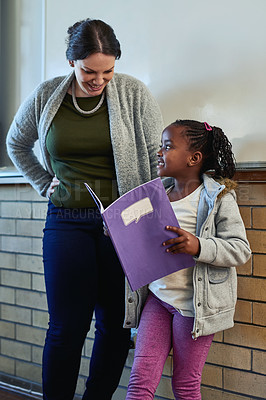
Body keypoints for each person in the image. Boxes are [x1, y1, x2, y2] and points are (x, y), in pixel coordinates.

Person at [6, 18, 163, 400]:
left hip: (125, 223)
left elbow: (156, 155)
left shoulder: (133, 93)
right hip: (66, 221)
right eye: (90, 71)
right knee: (66, 327)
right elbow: (16, 143)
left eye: (108, 71)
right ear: (72, 61)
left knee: (114, 325)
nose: (99, 80)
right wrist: (44, 182)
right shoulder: (47, 96)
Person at [125, 120, 251, 400]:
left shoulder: (217, 197)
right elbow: (144, 247)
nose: (159, 152)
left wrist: (198, 246)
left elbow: (240, 250)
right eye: (161, 145)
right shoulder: (156, 196)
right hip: (157, 300)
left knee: (185, 385)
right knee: (139, 382)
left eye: (167, 146)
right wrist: (122, 235)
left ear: (193, 158)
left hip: (195, 309)